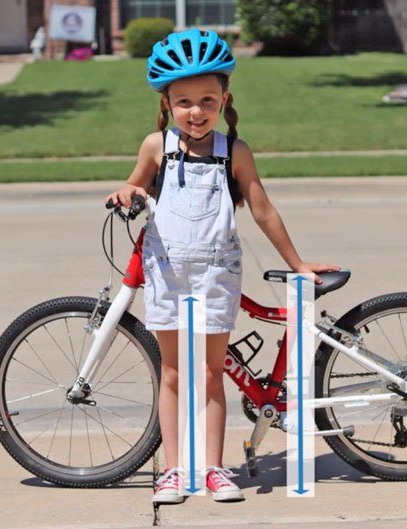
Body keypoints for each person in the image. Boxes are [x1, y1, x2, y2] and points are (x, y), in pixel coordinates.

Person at [105, 29, 340, 504]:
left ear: (224, 99)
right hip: (167, 271)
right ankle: (174, 471)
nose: (196, 111)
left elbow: (262, 209)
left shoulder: (234, 151)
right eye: (185, 101)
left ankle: (213, 469)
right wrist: (127, 191)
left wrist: (296, 263)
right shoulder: (156, 146)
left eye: (207, 100)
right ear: (168, 102)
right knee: (172, 372)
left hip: (215, 273)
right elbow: (135, 184)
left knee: (211, 374)